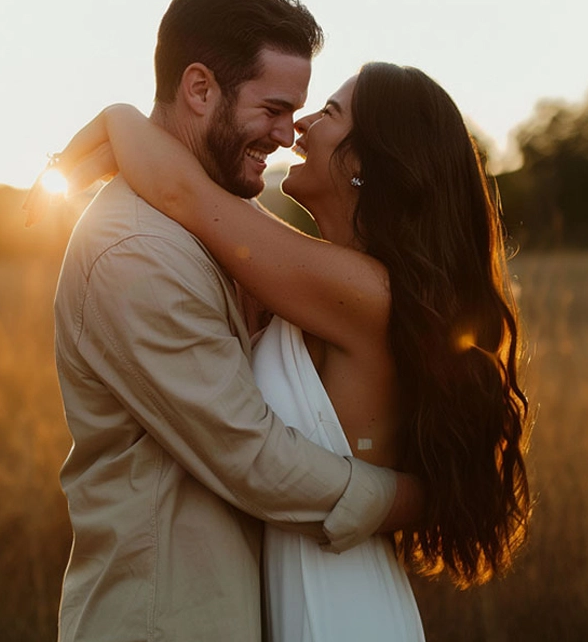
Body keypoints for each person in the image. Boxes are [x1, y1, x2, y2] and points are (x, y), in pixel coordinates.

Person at [49, 63, 532, 641]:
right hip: (315, 588)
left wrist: (119, 117)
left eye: (329, 112)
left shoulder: (359, 290)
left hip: (336, 606)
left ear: (365, 163)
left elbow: (184, 193)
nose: (299, 125)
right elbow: (207, 201)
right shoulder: (333, 281)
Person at [34, 0, 425, 642]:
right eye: (273, 108)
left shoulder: (231, 223)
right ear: (198, 88)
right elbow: (250, 456)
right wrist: (406, 499)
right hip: (165, 620)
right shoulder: (132, 251)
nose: (287, 133)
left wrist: (122, 121)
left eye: (301, 111)